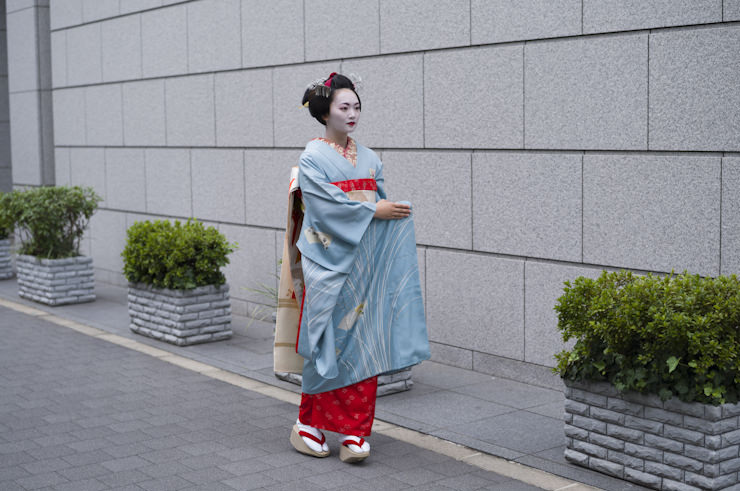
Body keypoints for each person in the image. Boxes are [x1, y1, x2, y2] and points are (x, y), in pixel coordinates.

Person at [274, 72, 430, 463]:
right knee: (327, 339)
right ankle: (308, 424)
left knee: (365, 342)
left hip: (364, 264)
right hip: (328, 262)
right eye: (345, 107)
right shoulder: (311, 158)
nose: (353, 113)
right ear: (325, 112)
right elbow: (324, 210)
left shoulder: (371, 157)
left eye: (357, 106)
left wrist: (387, 214)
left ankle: (356, 432)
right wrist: (372, 209)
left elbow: (380, 207)